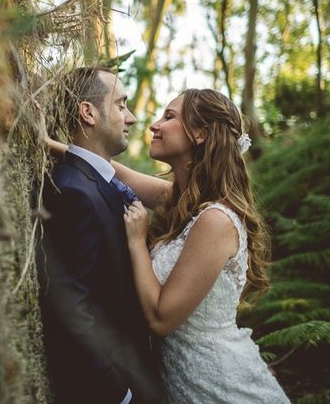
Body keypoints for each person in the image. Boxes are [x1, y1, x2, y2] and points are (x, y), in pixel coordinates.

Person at [46, 87, 290, 403]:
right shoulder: (182, 200)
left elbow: (161, 319)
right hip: (180, 382)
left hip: (219, 385)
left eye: (169, 116)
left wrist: (136, 242)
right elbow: (109, 170)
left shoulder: (216, 220)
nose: (153, 124)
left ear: (200, 133)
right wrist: (49, 144)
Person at [38, 67, 162, 404]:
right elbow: (70, 314)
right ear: (88, 112)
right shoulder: (74, 192)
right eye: (121, 105)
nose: (132, 117)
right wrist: (119, 394)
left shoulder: (93, 181)